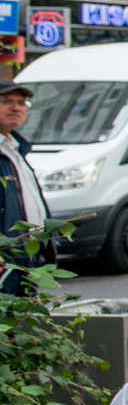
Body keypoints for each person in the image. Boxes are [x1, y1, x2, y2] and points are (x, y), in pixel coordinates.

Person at [0, 77, 50, 295]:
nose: (16, 108)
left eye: (21, 103)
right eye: (6, 101)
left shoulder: (16, 147)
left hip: (27, 256)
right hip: (6, 259)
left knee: (24, 313)